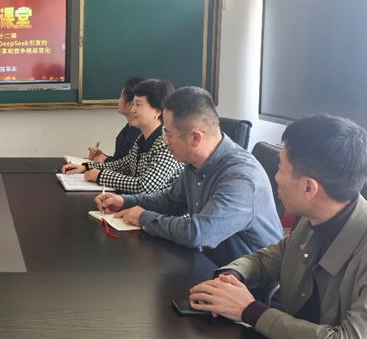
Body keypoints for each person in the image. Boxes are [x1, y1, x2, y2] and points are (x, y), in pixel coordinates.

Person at [189, 115, 367, 339]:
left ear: (309, 187)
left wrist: (250, 311)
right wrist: (230, 278)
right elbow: (267, 260)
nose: (275, 177)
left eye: (281, 168)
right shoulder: (315, 218)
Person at [96, 87, 283, 266]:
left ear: (195, 138)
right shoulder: (195, 162)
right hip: (209, 265)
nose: (164, 142)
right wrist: (125, 201)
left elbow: (198, 233)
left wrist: (144, 218)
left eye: (168, 135)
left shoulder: (240, 177)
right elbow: (172, 201)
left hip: (246, 282)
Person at [62, 79, 183, 194]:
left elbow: (144, 186)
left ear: (157, 111)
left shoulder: (166, 143)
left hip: (161, 209)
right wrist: (86, 167)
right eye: (133, 104)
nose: (133, 110)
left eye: (138, 105)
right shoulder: (142, 138)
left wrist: (100, 176)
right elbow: (122, 165)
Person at [86, 77, 144, 163]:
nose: (118, 101)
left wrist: (105, 160)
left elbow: (127, 168)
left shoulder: (140, 135)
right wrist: (102, 157)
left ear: (130, 104)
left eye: (121, 96)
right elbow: (119, 162)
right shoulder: (126, 130)